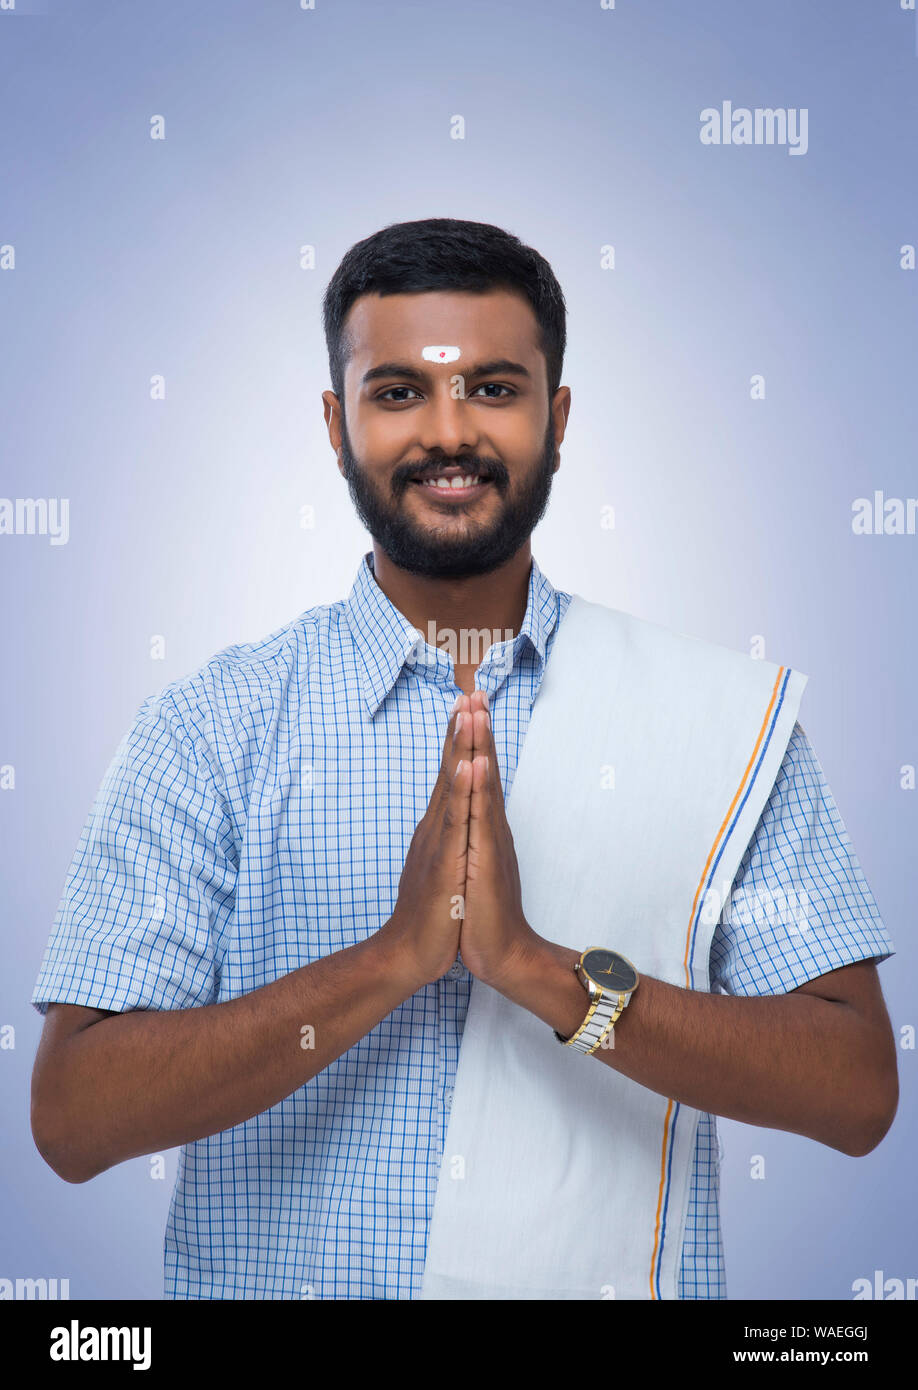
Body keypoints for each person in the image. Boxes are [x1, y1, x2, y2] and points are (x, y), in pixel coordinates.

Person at [30, 217, 898, 1300]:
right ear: (336, 422)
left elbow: (857, 1090)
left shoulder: (716, 717)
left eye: (493, 387)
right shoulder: (211, 727)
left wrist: (541, 971)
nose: (450, 431)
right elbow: (72, 1118)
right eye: (399, 392)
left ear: (558, 415)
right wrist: (393, 958)